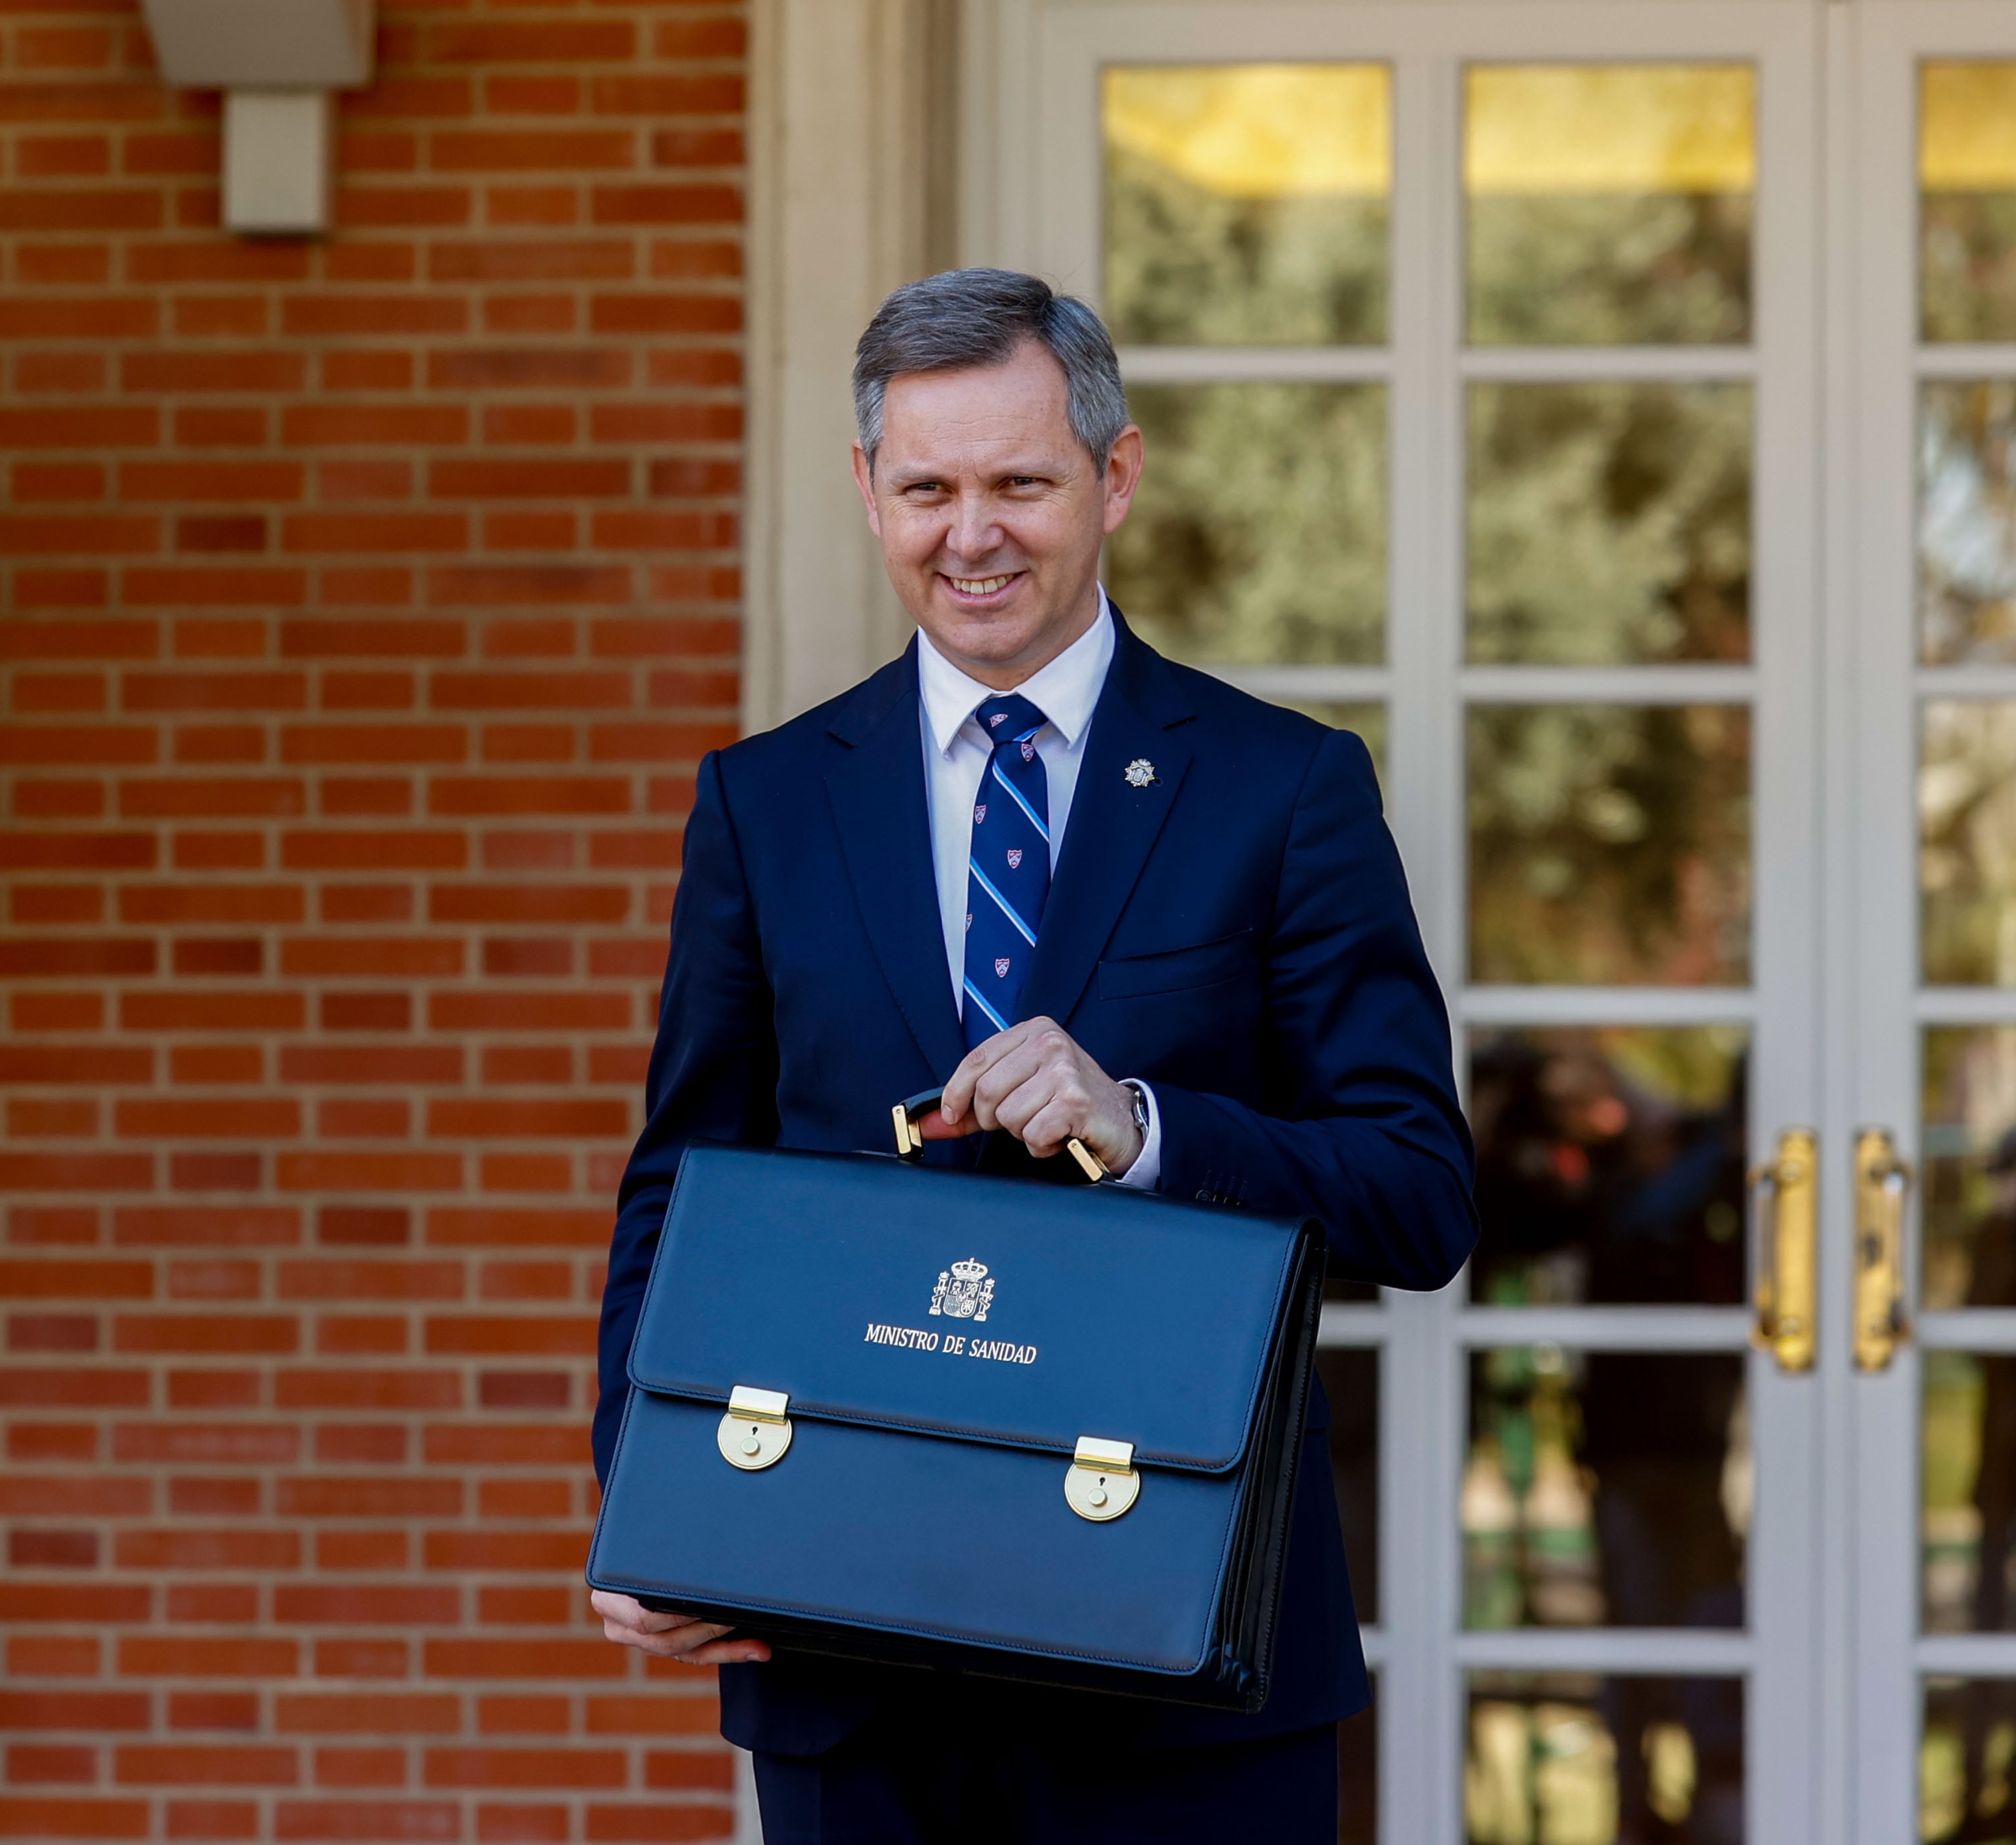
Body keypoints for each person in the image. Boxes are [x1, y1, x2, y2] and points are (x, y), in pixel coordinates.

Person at [586, 269, 1478, 1842]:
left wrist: (1143, 1126)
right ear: (868, 492)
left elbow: (1419, 1197)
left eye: (1020, 482)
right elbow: (682, 1185)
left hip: (1179, 1656)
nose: (970, 531)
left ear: (1114, 477)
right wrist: (646, 1501)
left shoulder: (1286, 791)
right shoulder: (765, 803)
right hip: (844, 1652)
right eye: (926, 486)